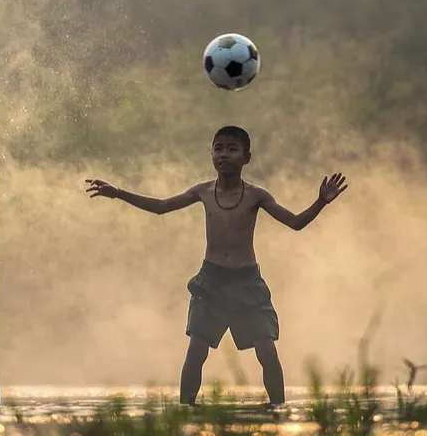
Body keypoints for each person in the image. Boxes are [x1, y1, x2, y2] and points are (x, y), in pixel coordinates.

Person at [84, 125, 347, 407]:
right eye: (218, 149)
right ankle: (185, 411)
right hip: (211, 282)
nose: (224, 155)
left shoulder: (257, 195)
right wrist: (119, 193)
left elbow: (295, 223)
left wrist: (321, 201)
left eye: (232, 149)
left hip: (247, 283)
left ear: (246, 157)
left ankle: (277, 410)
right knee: (196, 350)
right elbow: (161, 206)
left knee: (267, 351)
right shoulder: (204, 191)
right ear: (211, 155)